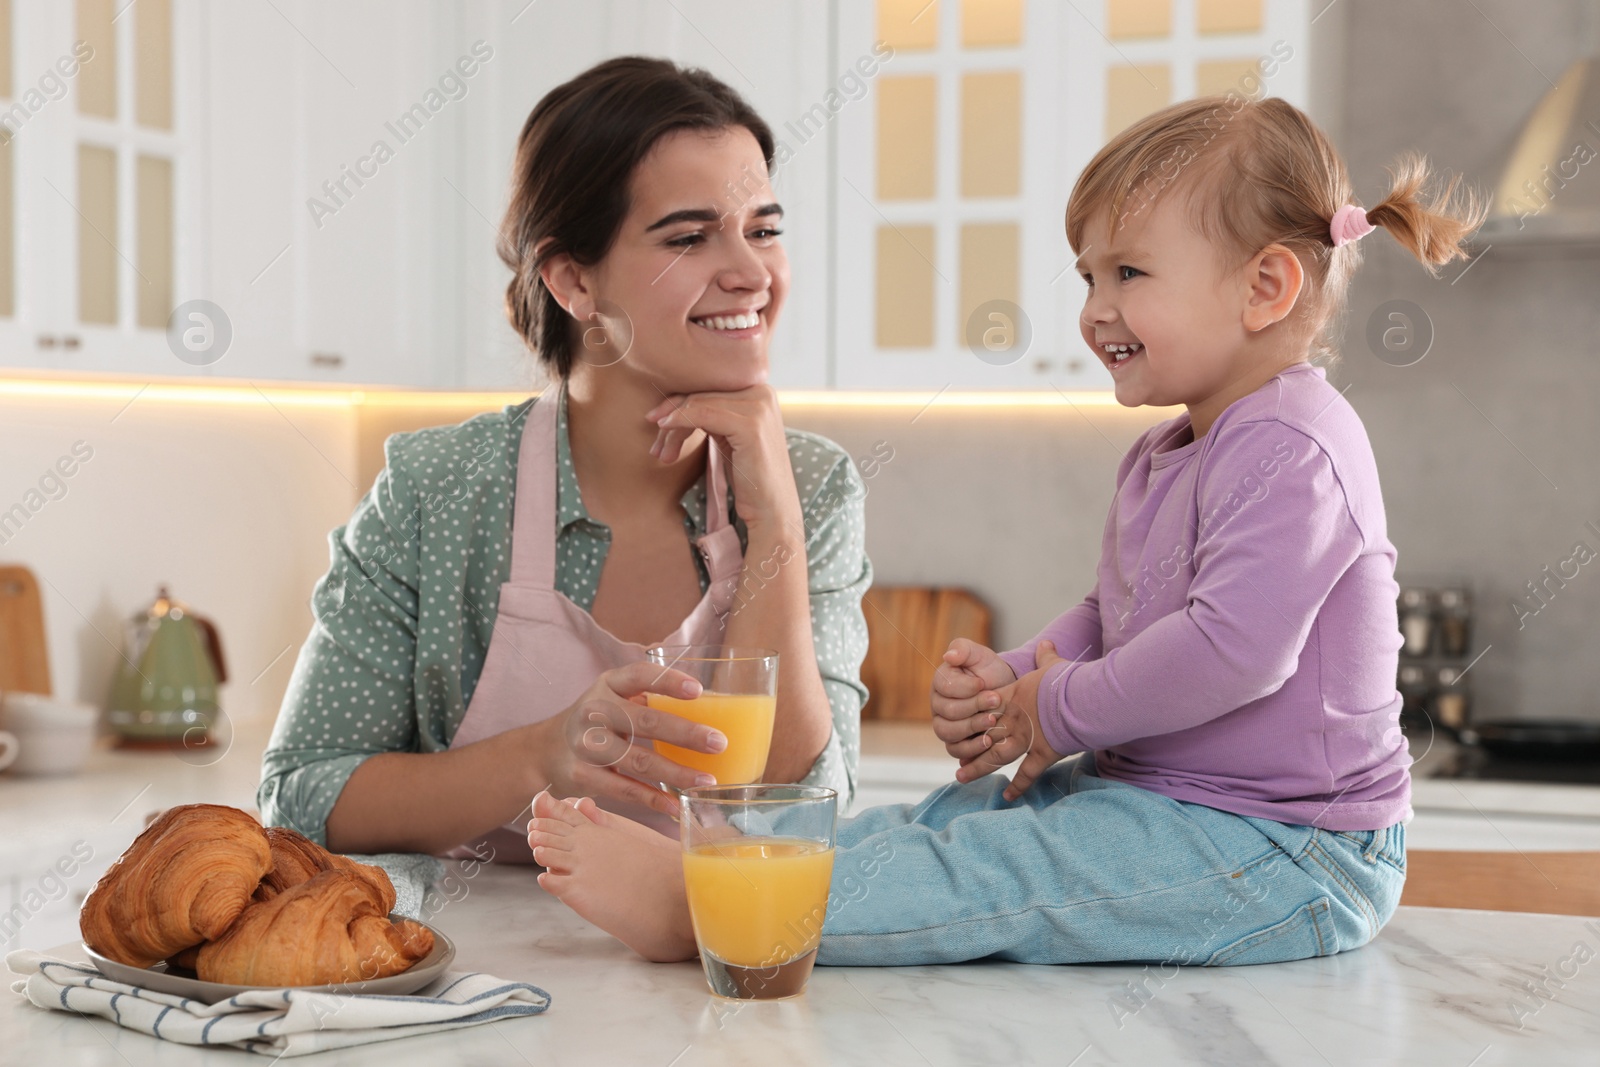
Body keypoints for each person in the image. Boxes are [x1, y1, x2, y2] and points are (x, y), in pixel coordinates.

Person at [526, 93, 1486, 967]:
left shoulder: (1296, 445)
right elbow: (1117, 616)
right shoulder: (1167, 451)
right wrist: (1023, 675)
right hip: (1171, 805)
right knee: (955, 817)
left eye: (1129, 272)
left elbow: (1231, 650)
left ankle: (710, 913)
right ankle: (732, 861)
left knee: (1006, 870)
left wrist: (1051, 707)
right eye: (1088, 276)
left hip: (1290, 849)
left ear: (1266, 286)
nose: (1094, 309)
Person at [257, 57, 871, 862]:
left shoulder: (812, 484)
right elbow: (300, 799)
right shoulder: (436, 491)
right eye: (690, 236)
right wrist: (542, 755)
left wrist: (776, 519)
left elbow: (799, 802)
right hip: (473, 976)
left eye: (763, 229)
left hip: (711, 971)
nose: (752, 273)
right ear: (574, 280)